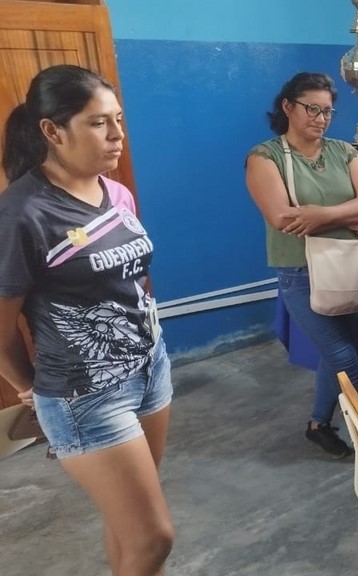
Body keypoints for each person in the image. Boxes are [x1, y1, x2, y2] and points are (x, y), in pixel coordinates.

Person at [0, 65, 174, 574]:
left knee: (129, 525)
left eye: (118, 119)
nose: (117, 135)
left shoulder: (115, 193)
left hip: (150, 369)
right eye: (99, 123)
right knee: (154, 538)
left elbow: (132, 276)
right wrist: (28, 387)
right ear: (53, 131)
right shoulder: (23, 215)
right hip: (85, 394)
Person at [245, 72, 358, 456]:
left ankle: (318, 423)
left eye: (328, 112)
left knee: (341, 350)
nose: (321, 119)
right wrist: (347, 216)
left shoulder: (344, 151)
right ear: (288, 106)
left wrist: (319, 215)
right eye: (312, 109)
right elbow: (282, 219)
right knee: (343, 356)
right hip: (300, 271)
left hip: (349, 266)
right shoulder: (264, 157)